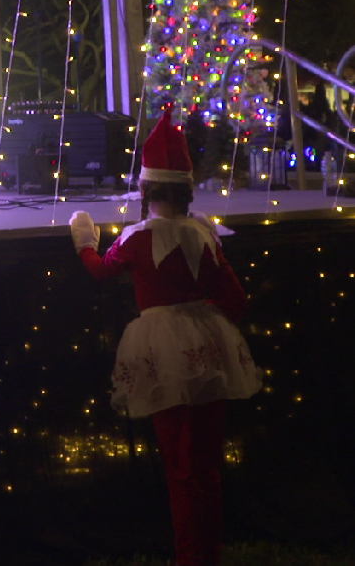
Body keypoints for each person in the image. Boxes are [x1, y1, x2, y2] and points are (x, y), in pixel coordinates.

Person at [69, 106, 262, 566]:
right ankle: (207, 554)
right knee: (207, 468)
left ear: (146, 186)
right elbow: (236, 302)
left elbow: (101, 272)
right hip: (210, 351)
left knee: (180, 468)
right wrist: (201, 315)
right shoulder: (206, 235)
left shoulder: (138, 237)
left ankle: (189, 557)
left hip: (164, 355)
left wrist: (84, 242)